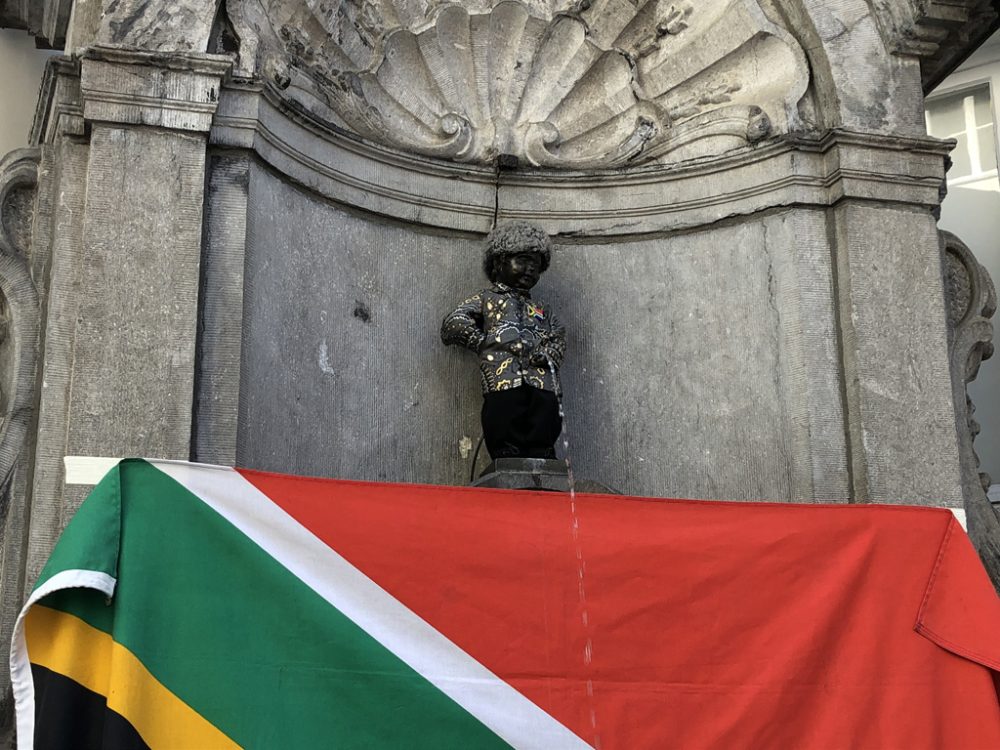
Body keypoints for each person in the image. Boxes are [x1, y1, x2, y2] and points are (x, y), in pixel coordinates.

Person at [441, 221, 566, 460]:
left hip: (540, 378)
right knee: (503, 409)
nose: (530, 269)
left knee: (547, 409)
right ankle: (506, 451)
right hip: (502, 376)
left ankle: (542, 450)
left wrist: (550, 353)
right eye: (523, 260)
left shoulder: (541, 310)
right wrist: (481, 342)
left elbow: (558, 335)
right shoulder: (487, 299)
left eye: (536, 264)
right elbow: (453, 322)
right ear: (498, 263)